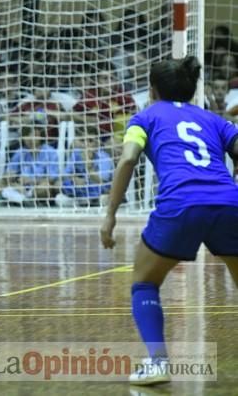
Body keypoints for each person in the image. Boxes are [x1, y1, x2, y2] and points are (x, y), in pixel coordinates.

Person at [99, 56, 238, 386]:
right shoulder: (213, 119)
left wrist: (110, 215)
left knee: (144, 282)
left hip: (181, 204)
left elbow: (128, 159)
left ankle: (158, 362)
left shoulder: (144, 117)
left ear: (152, 90)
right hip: (230, 203)